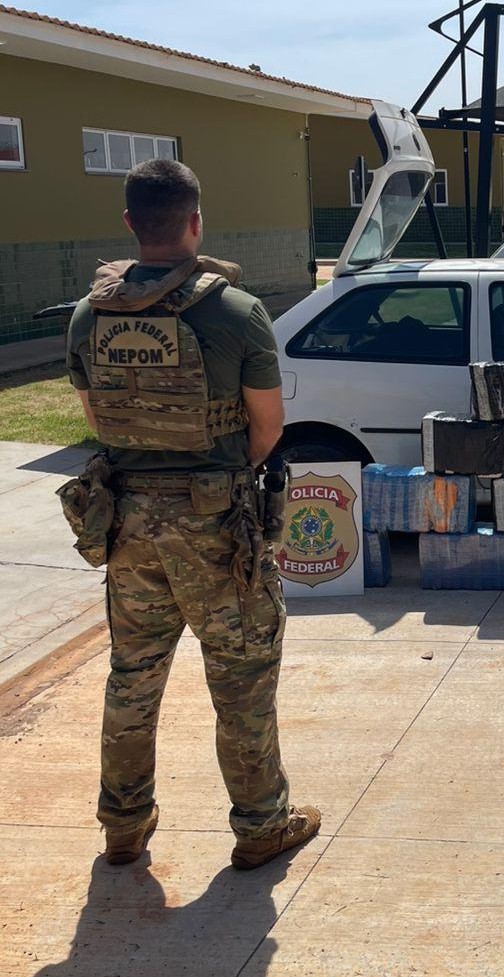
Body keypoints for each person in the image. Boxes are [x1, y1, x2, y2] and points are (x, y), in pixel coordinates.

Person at [62, 158, 320, 870]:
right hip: (216, 528)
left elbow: (97, 421)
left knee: (133, 676)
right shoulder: (236, 311)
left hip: (127, 526)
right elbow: (267, 428)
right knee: (241, 676)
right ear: (196, 222)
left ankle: (123, 823)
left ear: (130, 223)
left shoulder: (89, 315)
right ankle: (261, 825)